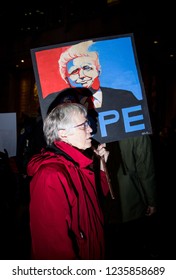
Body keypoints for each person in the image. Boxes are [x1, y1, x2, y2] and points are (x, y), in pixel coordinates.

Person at [27, 102, 110, 260]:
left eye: (88, 123)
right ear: (63, 134)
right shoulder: (50, 175)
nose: (91, 129)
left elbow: (94, 197)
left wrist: (101, 168)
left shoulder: (77, 164)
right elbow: (51, 246)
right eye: (83, 125)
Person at [58, 40, 151, 143]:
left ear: (98, 70)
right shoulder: (62, 109)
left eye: (87, 67)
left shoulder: (126, 97)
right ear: (66, 79)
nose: (82, 75)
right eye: (74, 71)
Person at [104, 135, 158, 259]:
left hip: (103, 203)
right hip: (132, 200)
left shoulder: (92, 124)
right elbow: (145, 168)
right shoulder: (136, 125)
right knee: (133, 250)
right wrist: (152, 200)